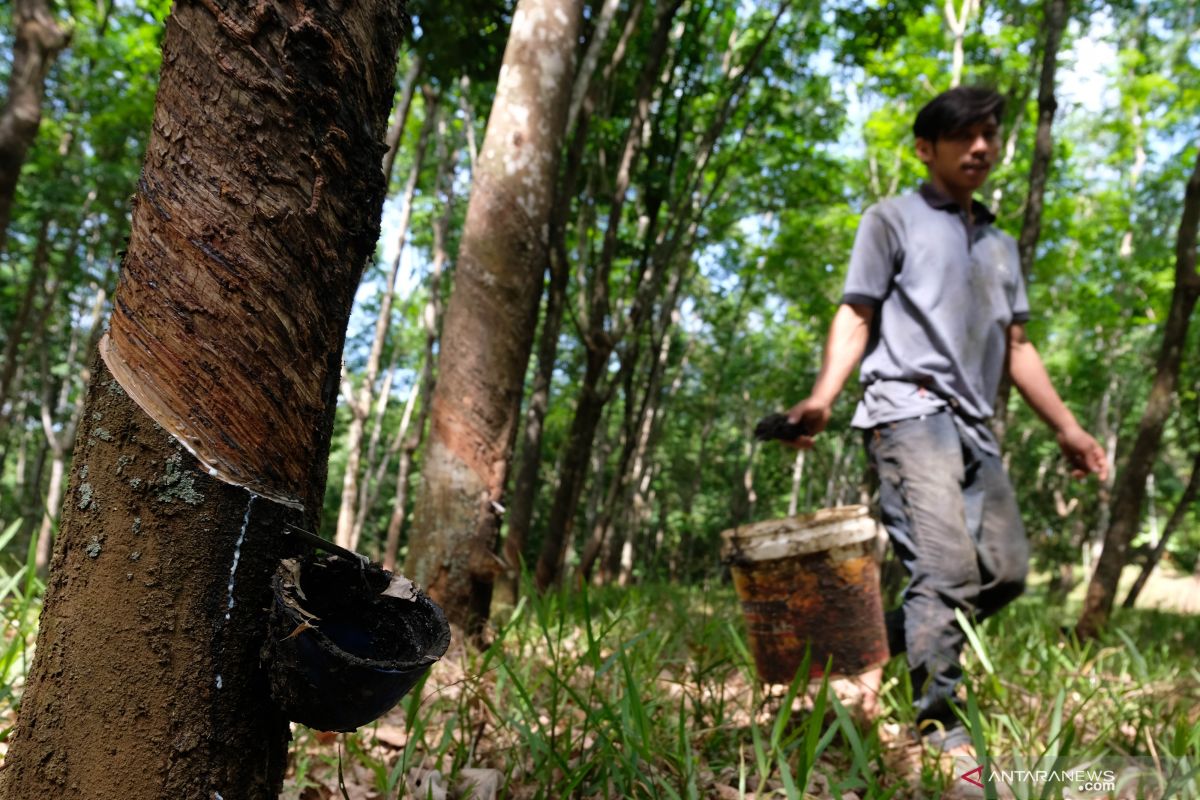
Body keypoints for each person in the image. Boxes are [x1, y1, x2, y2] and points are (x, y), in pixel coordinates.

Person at [784, 86, 1108, 752]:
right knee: (945, 570)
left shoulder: (999, 243)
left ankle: (857, 648)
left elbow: (1017, 347)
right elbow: (857, 312)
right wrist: (821, 398)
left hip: (974, 424)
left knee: (1007, 572)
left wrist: (1069, 429)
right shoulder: (892, 218)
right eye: (965, 136)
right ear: (927, 149)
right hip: (906, 409)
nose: (982, 147)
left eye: (990, 135)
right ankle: (938, 724)